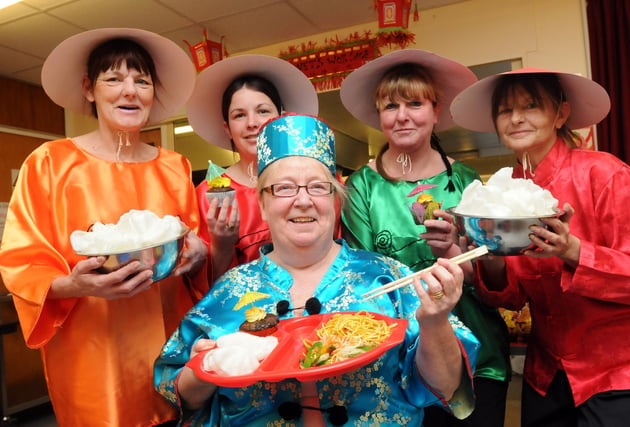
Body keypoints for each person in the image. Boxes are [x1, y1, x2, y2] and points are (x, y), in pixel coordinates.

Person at [154, 113, 480, 426]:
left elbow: (447, 386)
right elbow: (180, 393)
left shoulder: (389, 277)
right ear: (263, 205)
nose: (303, 200)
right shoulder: (230, 290)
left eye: (318, 186)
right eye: (283, 188)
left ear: (335, 201)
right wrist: (205, 368)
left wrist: (435, 322)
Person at [0, 28, 209, 426]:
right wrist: (76, 285)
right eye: (113, 79)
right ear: (89, 89)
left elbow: (191, 251)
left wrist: (198, 255)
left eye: (142, 81)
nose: (129, 91)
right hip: (90, 354)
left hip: (169, 348)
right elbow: (20, 261)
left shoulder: (174, 166)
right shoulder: (50, 163)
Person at [450, 67, 630, 426]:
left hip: (618, 374)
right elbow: (511, 298)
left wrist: (572, 250)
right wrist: (489, 258)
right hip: (546, 376)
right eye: (505, 110)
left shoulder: (605, 174)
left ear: (561, 114)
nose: (516, 118)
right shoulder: (503, 195)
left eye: (531, 105)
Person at [339, 49, 511, 427]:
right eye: (390, 106)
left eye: (414, 104)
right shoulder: (362, 187)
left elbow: (496, 280)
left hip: (478, 354)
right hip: (396, 360)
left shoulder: (465, 181)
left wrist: (456, 252)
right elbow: (361, 277)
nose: (402, 116)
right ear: (379, 117)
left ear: (436, 111)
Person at [186, 55, 319, 280]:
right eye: (239, 115)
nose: (252, 123)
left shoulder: (314, 184)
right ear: (227, 128)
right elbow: (204, 287)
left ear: (282, 118)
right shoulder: (208, 195)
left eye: (263, 111)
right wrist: (222, 245)